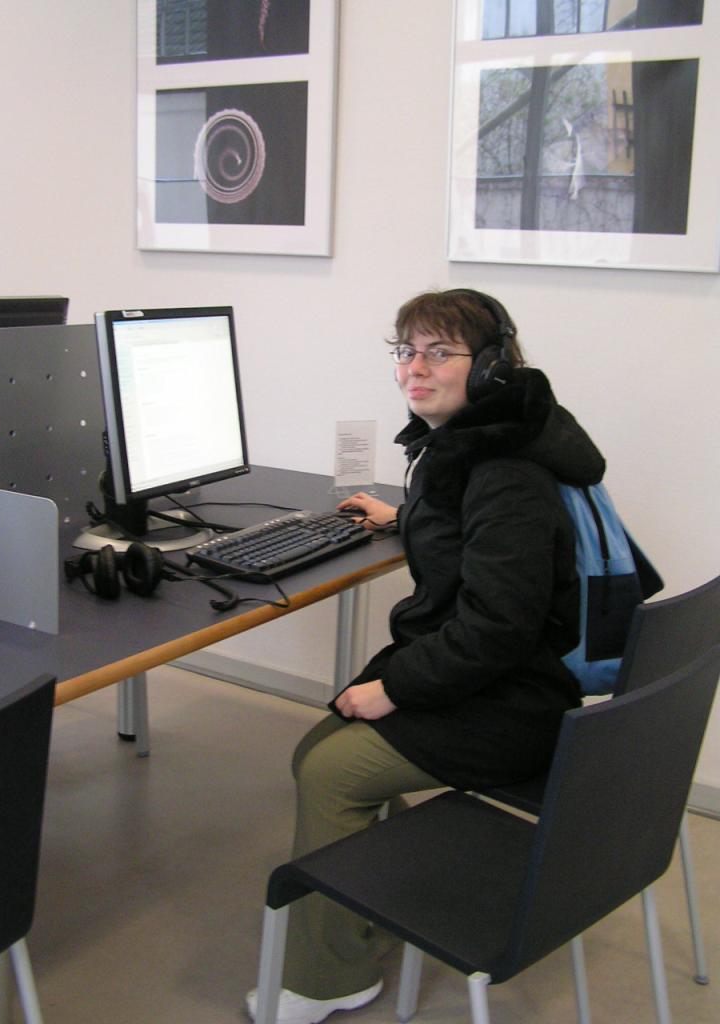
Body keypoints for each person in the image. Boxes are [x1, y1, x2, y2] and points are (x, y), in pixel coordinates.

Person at [247, 288, 606, 1024]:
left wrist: (394, 689)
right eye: (406, 351)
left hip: (511, 701)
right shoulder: (482, 444)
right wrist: (407, 515)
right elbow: (480, 538)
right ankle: (376, 900)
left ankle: (329, 978)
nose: (414, 369)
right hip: (487, 678)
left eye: (439, 353)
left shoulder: (506, 473)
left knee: (330, 770)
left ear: (493, 367)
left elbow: (497, 628)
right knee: (318, 748)